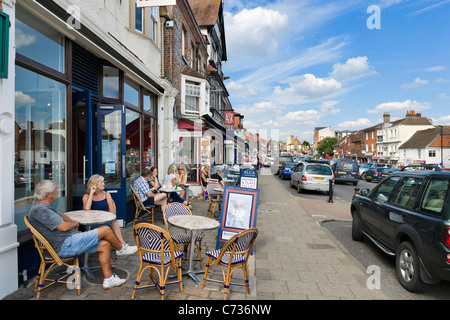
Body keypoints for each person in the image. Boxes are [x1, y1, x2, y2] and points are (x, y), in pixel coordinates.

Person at [27, 180, 137, 290]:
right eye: (55, 190)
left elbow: (63, 216)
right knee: (105, 229)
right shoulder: (40, 210)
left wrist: (71, 222)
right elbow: (63, 227)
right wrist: (74, 223)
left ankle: (109, 279)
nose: (57, 192)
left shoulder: (43, 207)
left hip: (69, 240)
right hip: (64, 244)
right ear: (48, 194)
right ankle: (121, 249)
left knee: (105, 244)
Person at [82, 174, 130, 268]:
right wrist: (91, 193)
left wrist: (105, 217)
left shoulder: (106, 194)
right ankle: (115, 253)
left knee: (113, 222)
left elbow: (112, 211)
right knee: (105, 230)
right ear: (94, 184)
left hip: (106, 220)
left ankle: (122, 244)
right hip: (93, 223)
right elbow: (86, 209)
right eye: (101, 182)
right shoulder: (86, 196)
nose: (104, 184)